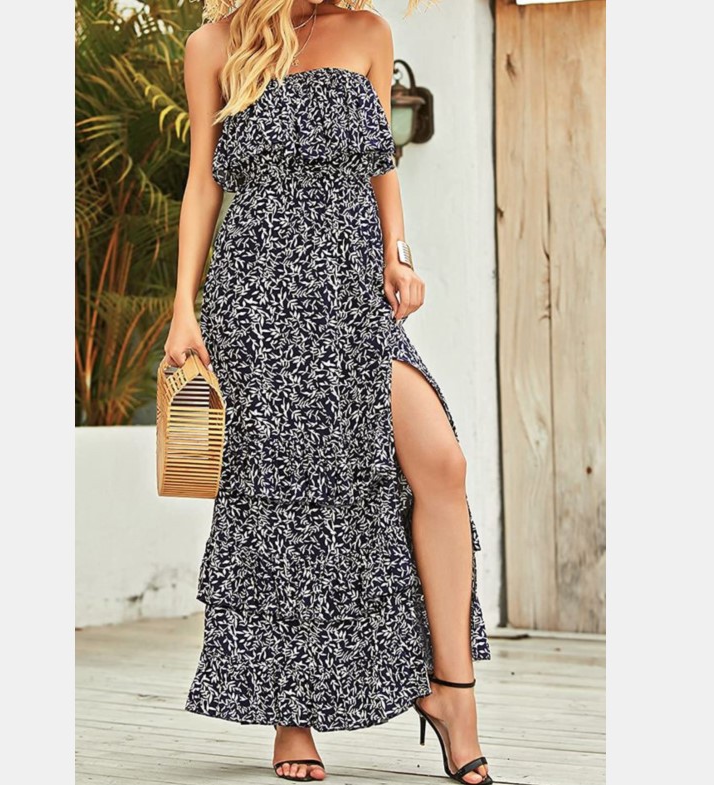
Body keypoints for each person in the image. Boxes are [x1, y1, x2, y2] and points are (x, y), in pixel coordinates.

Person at [163, 1, 493, 783]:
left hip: (352, 291)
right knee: (282, 499)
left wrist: (399, 254)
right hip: (258, 299)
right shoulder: (213, 45)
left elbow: (382, 164)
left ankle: (452, 694)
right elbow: (203, 183)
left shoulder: (367, 33)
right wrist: (183, 306)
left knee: (440, 465)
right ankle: (293, 718)